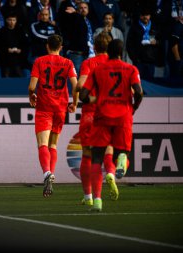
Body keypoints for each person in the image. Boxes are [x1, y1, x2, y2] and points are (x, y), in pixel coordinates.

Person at [79, 39, 143, 211]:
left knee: (96, 158)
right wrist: (134, 106)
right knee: (122, 152)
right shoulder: (131, 69)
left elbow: (83, 95)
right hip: (123, 115)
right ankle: (121, 160)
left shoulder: (97, 69)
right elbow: (139, 92)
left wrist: (95, 99)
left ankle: (97, 200)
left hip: (102, 115)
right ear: (122, 53)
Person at [28, 34, 78, 197]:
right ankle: (51, 173)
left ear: (47, 46)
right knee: (53, 145)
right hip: (60, 108)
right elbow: (75, 86)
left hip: (44, 107)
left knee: (42, 144)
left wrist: (31, 96)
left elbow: (32, 86)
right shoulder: (68, 63)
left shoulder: (39, 61)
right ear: (61, 47)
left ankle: (47, 173)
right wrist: (75, 103)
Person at [76, 32, 118, 207]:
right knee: (108, 150)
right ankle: (110, 172)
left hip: (90, 112)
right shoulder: (116, 65)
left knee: (87, 155)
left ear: (94, 47)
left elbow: (80, 85)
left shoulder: (89, 63)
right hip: (109, 112)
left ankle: (89, 197)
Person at [0, 13, 29, 77]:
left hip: (19, 58)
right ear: (6, 20)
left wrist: (20, 50)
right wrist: (7, 50)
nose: (12, 22)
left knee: (19, 72)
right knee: (6, 73)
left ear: (16, 21)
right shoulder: (1, 32)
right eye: (10, 20)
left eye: (13, 20)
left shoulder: (21, 31)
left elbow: (26, 45)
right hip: (5, 57)